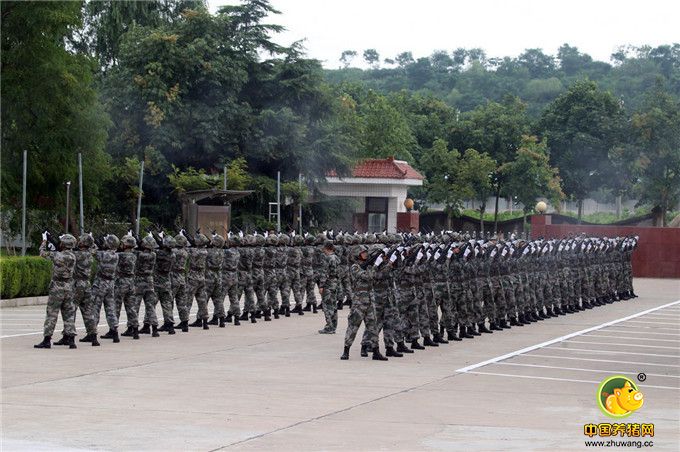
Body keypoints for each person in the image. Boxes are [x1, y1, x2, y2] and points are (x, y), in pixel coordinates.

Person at [340, 245, 386, 361]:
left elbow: (375, 277)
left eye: (366, 252)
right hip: (359, 303)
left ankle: (376, 352)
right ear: (357, 254)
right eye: (363, 252)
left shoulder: (368, 266)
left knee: (373, 328)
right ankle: (346, 350)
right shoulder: (355, 267)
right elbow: (368, 276)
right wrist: (375, 266)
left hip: (370, 301)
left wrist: (380, 263)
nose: (365, 254)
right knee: (353, 327)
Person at [35, 233, 78, 349]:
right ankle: (71, 340)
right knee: (69, 314)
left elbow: (42, 253)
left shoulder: (57, 255)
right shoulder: (73, 256)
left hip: (57, 287)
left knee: (52, 314)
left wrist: (44, 241)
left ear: (63, 244)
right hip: (69, 287)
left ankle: (47, 339)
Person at [92, 234, 120, 343]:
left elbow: (92, 251)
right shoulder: (116, 255)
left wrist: (93, 241)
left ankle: (92, 333)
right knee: (110, 309)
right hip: (110, 284)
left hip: (100, 284)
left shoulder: (103, 255)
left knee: (95, 308)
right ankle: (114, 331)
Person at [318, 240, 340, 334]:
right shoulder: (336, 258)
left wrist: (321, 285)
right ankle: (334, 325)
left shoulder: (328, 258)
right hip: (335, 283)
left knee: (327, 306)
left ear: (327, 248)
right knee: (334, 305)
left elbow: (324, 273)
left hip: (328, 284)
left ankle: (329, 327)